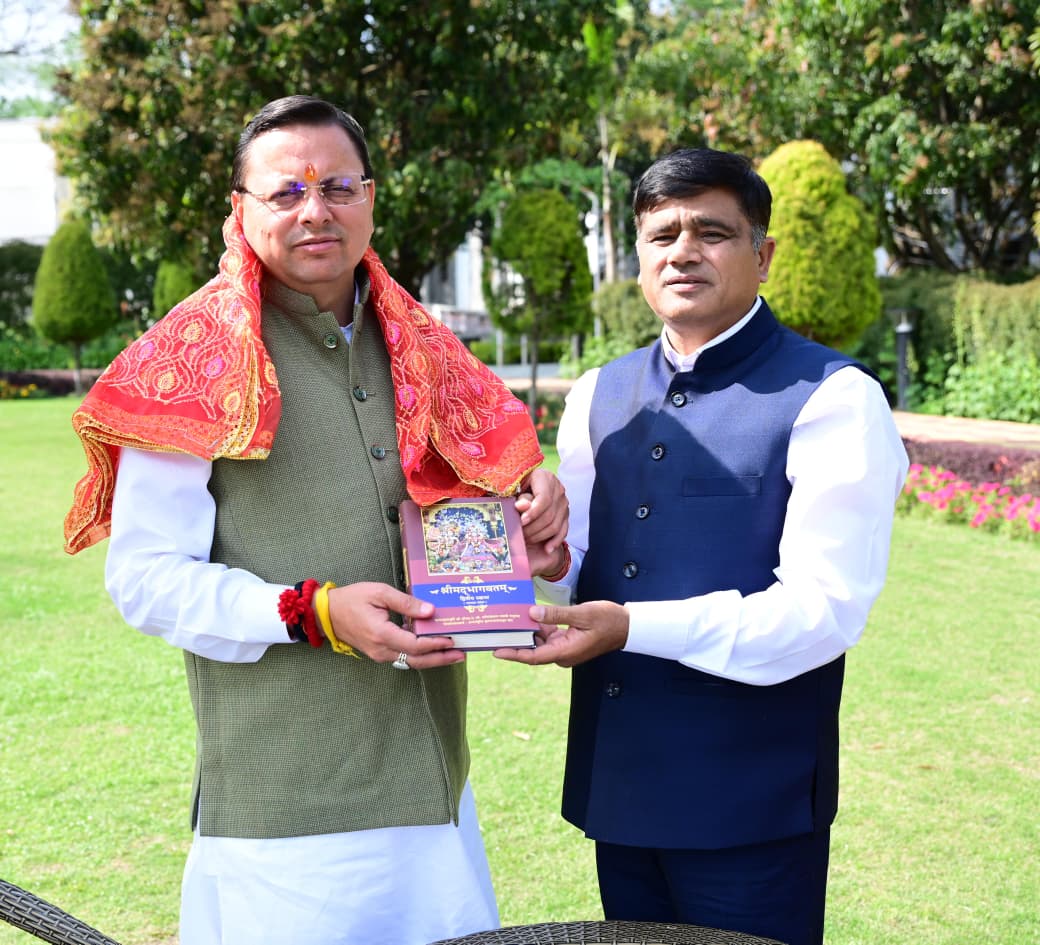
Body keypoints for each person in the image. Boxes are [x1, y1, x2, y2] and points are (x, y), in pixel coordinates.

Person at [64, 95, 568, 945]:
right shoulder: (191, 358)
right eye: (285, 192)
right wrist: (313, 612)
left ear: (370, 196)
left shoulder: (421, 342)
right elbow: (144, 580)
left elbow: (476, 498)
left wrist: (531, 518)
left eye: (337, 186)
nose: (315, 210)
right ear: (241, 208)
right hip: (286, 807)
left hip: (436, 792)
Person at [499, 148, 909, 945]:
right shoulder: (598, 393)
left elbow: (822, 613)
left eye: (711, 232)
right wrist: (547, 565)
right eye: (661, 235)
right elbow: (575, 572)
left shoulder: (834, 397)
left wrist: (629, 627)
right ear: (638, 256)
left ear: (763, 254)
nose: (682, 251)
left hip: (751, 801)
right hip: (619, 788)